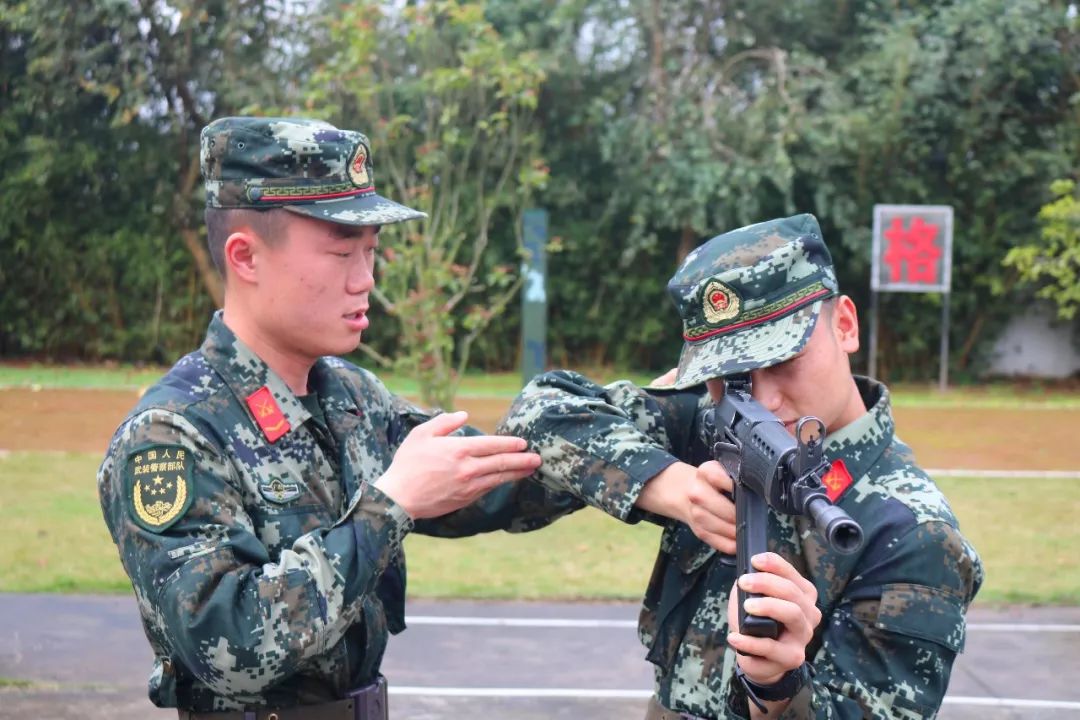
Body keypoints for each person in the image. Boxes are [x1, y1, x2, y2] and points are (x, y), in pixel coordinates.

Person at [97, 116, 581, 719]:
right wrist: (391, 504)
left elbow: (499, 479)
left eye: (371, 252)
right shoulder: (172, 434)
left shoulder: (350, 396)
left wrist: (648, 429)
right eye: (340, 252)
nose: (366, 281)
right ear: (245, 257)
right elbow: (229, 645)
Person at [500, 213, 983, 719]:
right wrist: (670, 484)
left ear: (845, 325)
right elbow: (538, 412)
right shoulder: (711, 425)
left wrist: (776, 687)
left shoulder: (915, 536)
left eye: (783, 360)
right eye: (731, 377)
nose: (765, 399)